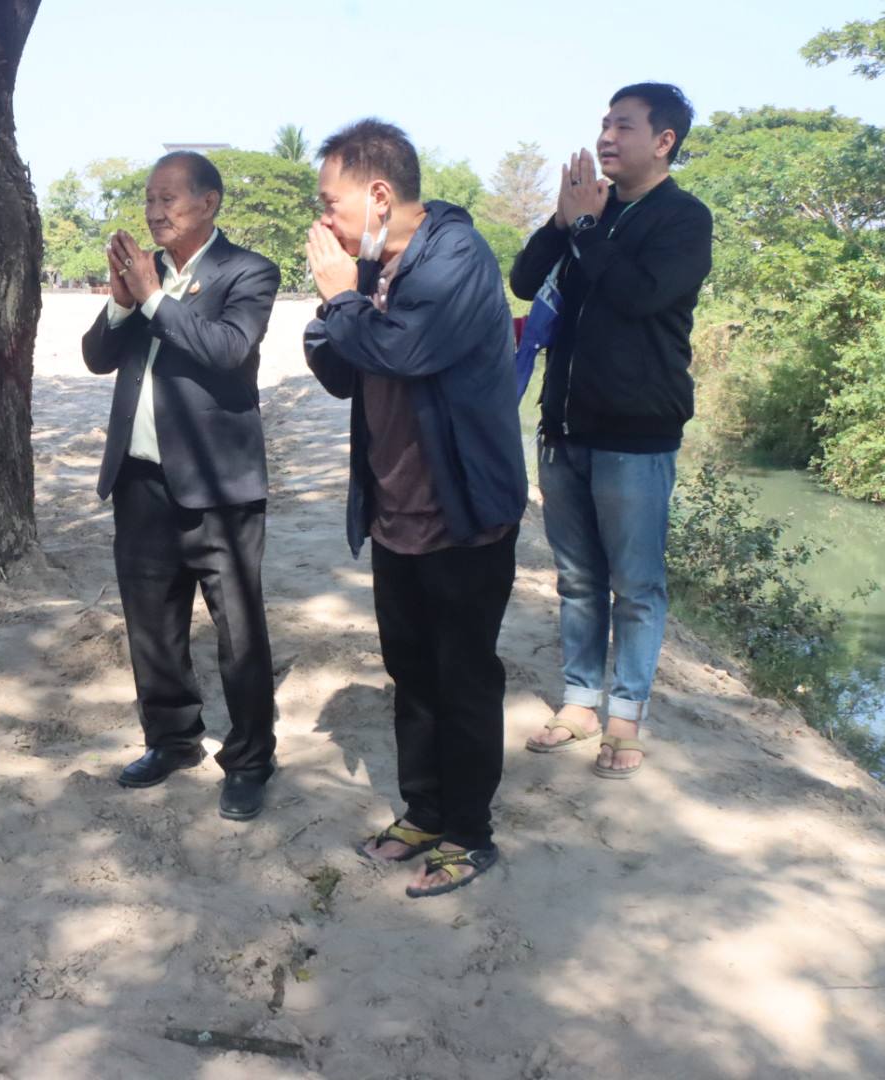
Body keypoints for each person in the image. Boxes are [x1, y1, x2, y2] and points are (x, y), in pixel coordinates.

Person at [304, 119, 527, 897]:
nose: (323, 220)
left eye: (330, 203)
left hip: (462, 514)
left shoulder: (456, 256)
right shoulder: (371, 268)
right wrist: (340, 307)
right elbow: (338, 366)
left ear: (378, 195)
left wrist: (342, 302)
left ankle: (470, 833)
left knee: (464, 679)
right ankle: (425, 811)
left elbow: (403, 350)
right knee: (412, 673)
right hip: (395, 513)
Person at [510, 84, 712, 779]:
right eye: (603, 124)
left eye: (623, 126)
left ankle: (625, 715)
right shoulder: (589, 213)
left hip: (636, 434)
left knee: (637, 583)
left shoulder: (684, 218)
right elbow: (524, 281)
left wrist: (590, 228)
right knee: (576, 579)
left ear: (664, 140)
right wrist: (560, 221)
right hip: (564, 426)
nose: (606, 137)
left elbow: (639, 296)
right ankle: (580, 702)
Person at [81, 151, 281, 821]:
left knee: (239, 632)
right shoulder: (148, 275)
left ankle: (249, 761)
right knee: (152, 623)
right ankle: (171, 739)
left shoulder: (247, 271)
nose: (155, 211)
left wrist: (152, 298)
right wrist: (121, 303)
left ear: (209, 202)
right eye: (149, 198)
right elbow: (97, 357)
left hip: (219, 485)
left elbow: (227, 348)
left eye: (169, 198)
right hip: (140, 478)